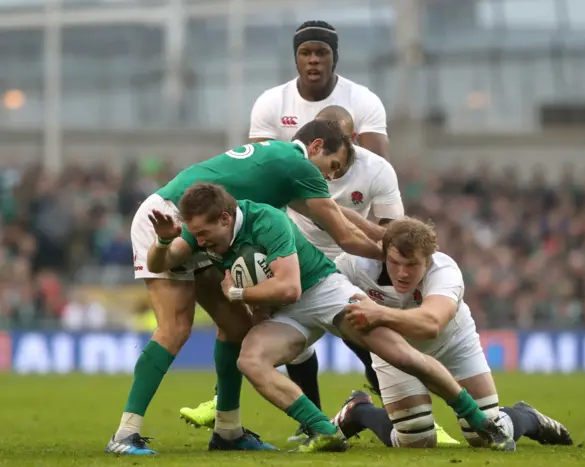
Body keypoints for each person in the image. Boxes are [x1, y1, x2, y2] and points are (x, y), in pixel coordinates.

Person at [105, 119, 383, 455]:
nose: (331, 176)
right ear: (316, 147)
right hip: (171, 218)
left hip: (201, 226)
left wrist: (384, 235)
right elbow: (344, 236)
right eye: (333, 166)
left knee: (237, 328)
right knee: (174, 328)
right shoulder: (299, 167)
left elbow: (334, 212)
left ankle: (228, 431)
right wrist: (392, 253)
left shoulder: (282, 165)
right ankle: (124, 434)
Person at [178, 183, 517, 453]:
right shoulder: (206, 236)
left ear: (224, 218)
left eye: (203, 233)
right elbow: (165, 257)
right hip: (287, 312)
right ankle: (325, 431)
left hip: (323, 289)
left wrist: (237, 294)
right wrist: (165, 241)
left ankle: (476, 417)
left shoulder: (266, 220)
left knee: (398, 354)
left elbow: (291, 289)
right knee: (250, 360)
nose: (199, 240)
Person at [331, 218, 573, 450]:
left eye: (412, 265)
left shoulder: (444, 270)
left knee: (485, 432)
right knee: (416, 439)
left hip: (452, 343)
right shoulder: (354, 265)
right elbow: (320, 291)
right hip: (394, 349)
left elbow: (431, 323)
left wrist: (379, 314)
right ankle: (359, 412)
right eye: (395, 263)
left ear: (428, 260)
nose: (402, 273)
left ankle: (529, 417)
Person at [248, 20, 389, 159]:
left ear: (335, 58)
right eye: (305, 53)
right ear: (296, 59)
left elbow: (378, 168)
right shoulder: (270, 102)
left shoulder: (363, 100)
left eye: (322, 53)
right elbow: (260, 166)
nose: (313, 60)